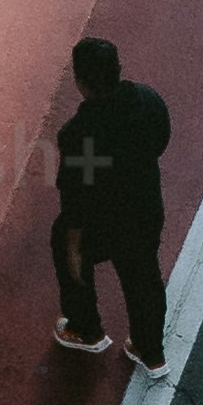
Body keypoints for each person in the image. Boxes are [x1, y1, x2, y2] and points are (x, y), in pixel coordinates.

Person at [44, 33, 170, 363]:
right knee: (144, 277)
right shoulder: (147, 100)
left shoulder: (78, 134)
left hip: (104, 220)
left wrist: (72, 245)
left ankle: (86, 329)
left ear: (80, 82)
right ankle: (149, 348)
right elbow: (161, 140)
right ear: (117, 69)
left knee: (64, 243)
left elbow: (75, 197)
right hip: (145, 207)